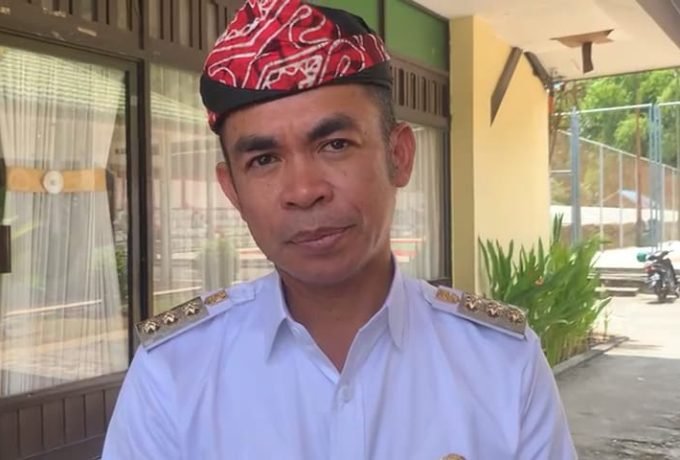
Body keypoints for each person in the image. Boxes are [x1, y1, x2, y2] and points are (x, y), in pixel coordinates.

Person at [102, 1, 577, 458]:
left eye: (335, 145)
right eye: (264, 160)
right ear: (233, 191)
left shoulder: (501, 363)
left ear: (399, 156)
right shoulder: (173, 373)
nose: (304, 190)